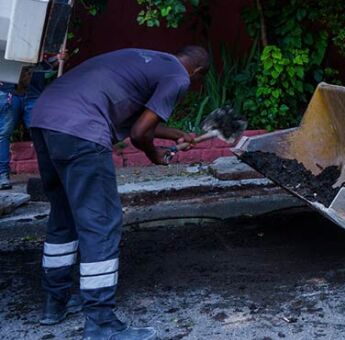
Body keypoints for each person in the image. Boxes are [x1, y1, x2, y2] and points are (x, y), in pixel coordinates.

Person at [29, 46, 209, 340]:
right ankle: (101, 322)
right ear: (197, 72)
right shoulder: (179, 77)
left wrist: (176, 135)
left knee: (63, 215)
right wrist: (156, 156)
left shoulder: (144, 60)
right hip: (82, 128)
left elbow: (136, 118)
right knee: (100, 221)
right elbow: (139, 134)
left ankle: (55, 302)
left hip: (45, 118)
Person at [0, 58, 59, 190]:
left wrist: (58, 59)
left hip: (32, 91)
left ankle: (52, 174)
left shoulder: (43, 39)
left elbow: (47, 64)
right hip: (8, 91)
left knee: (41, 133)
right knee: (3, 134)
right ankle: (2, 174)